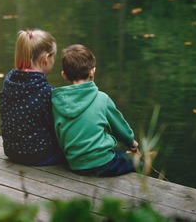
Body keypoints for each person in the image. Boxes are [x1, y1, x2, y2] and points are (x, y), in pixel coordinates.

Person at [52, 44, 139, 176]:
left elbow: (59, 134)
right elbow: (119, 128)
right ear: (92, 71)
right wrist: (131, 142)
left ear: (64, 75)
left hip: (75, 164)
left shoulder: (56, 102)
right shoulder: (102, 99)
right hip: (103, 163)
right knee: (136, 162)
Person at [0, 29, 65, 166]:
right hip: (39, 155)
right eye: (53, 56)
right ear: (46, 58)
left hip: (11, 151)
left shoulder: (9, 80)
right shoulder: (46, 91)